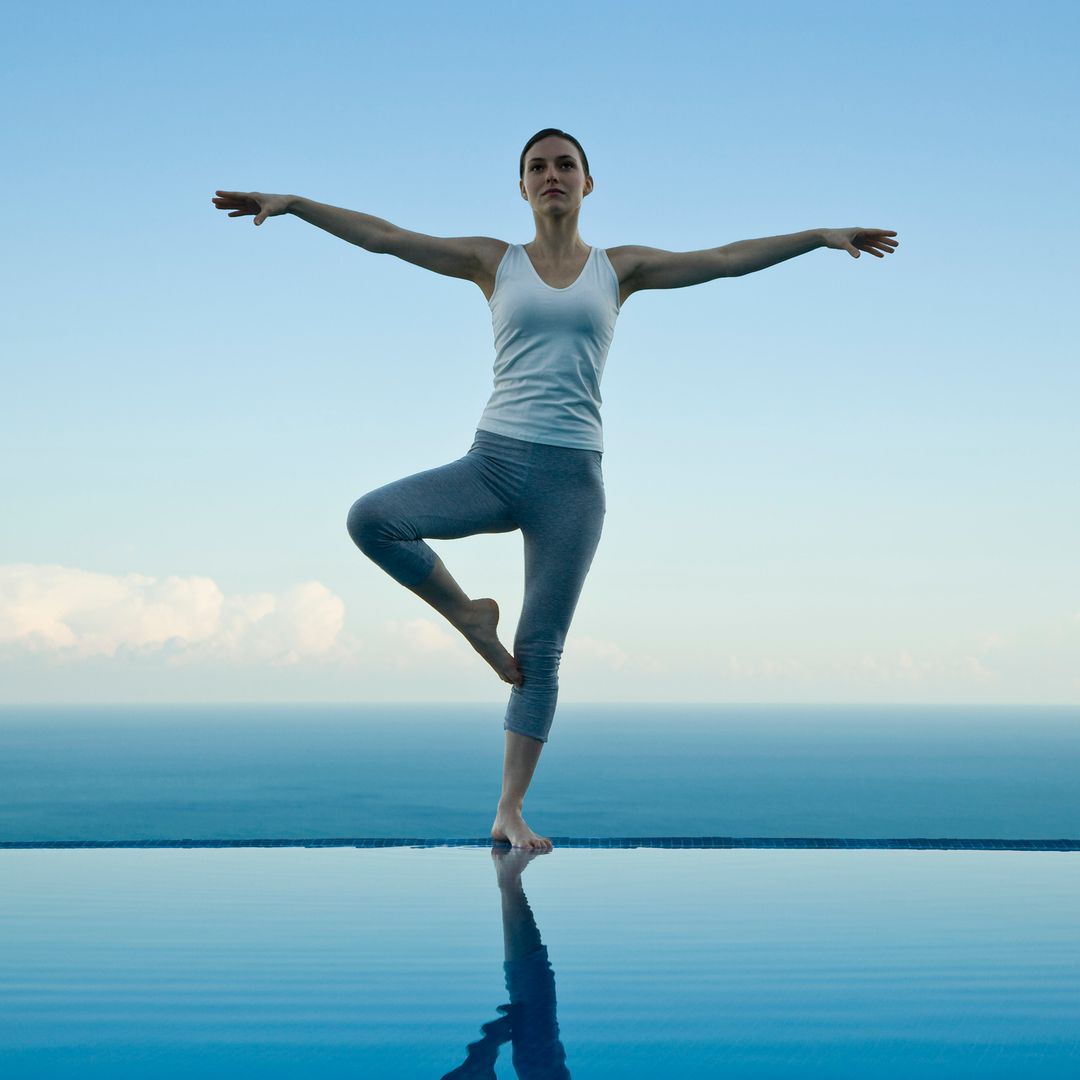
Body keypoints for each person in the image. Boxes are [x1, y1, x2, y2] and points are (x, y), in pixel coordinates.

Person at [212, 128, 898, 852]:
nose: (551, 175)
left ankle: (509, 811)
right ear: (522, 187)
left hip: (572, 484)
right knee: (373, 518)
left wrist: (820, 237)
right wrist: (294, 205)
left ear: (587, 183)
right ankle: (469, 617)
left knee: (540, 651)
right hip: (493, 463)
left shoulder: (619, 269)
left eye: (565, 165)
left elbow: (724, 261)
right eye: (537, 167)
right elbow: (386, 238)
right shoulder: (492, 261)